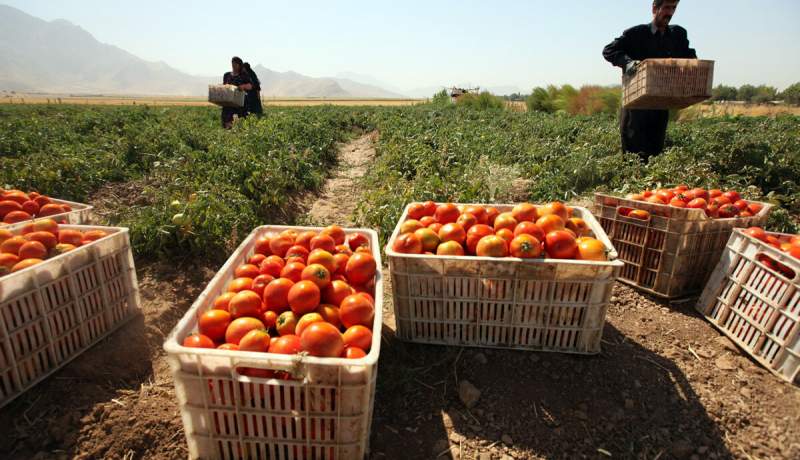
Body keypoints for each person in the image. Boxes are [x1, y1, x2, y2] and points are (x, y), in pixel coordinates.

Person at [603, 0, 697, 160]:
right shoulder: (636, 34)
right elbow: (609, 50)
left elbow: (688, 55)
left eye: (674, 8)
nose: (670, 12)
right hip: (636, 106)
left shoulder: (677, 35)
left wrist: (693, 63)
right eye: (667, 8)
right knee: (634, 156)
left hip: (660, 105)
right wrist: (628, 62)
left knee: (655, 154)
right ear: (655, 8)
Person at [221, 56, 253, 129]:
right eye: (233, 64)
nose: (234, 66)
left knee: (239, 123)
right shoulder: (227, 75)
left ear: (239, 65)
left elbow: (250, 86)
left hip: (240, 104)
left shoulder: (244, 75)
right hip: (228, 104)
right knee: (227, 123)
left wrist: (243, 86)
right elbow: (225, 86)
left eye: (236, 64)